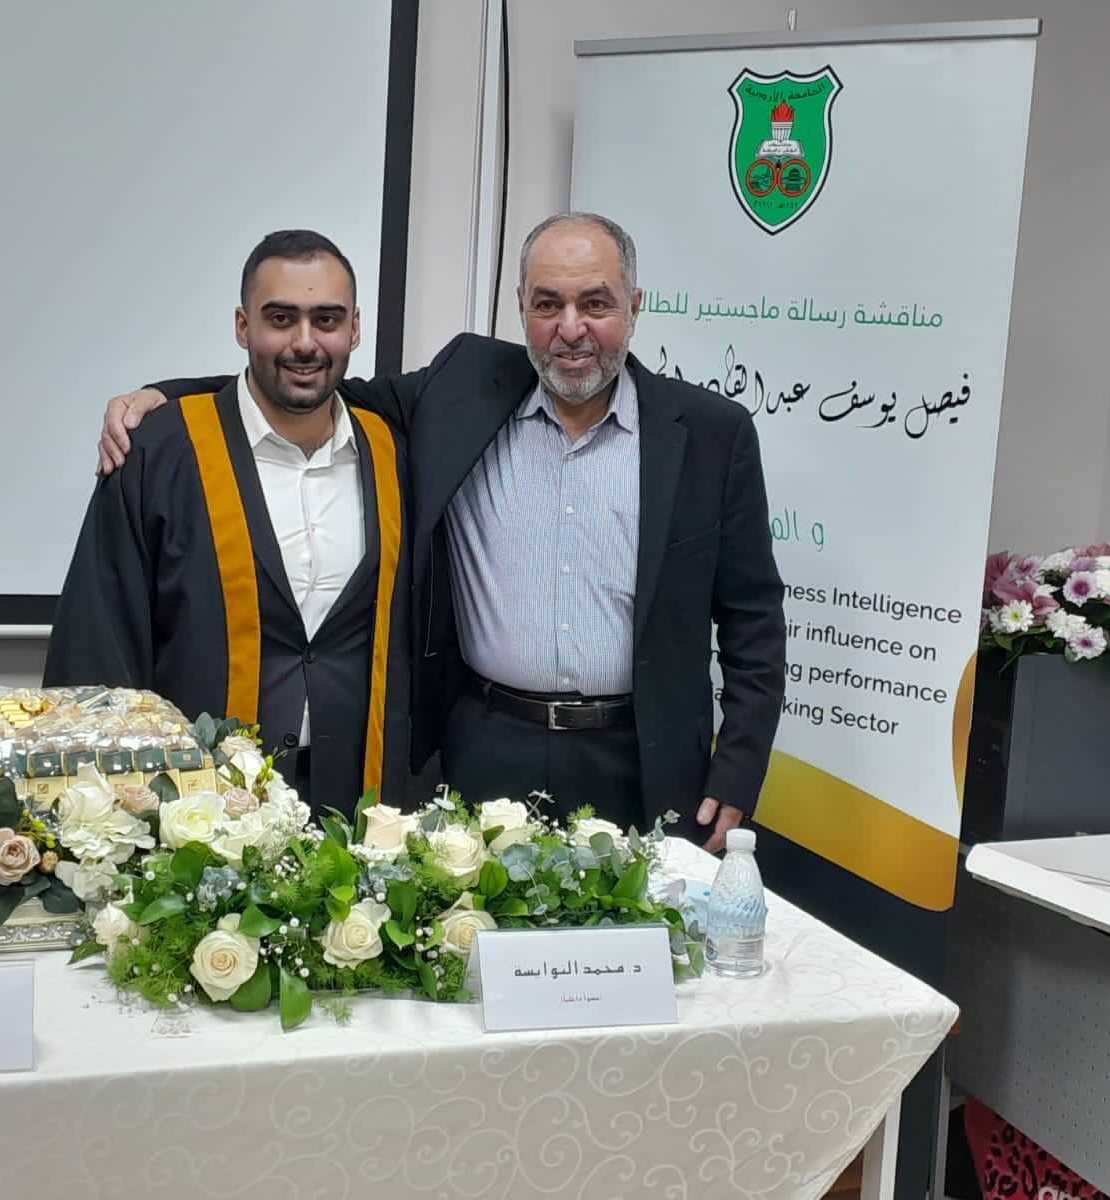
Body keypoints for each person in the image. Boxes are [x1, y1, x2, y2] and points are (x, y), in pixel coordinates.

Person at [99, 213, 784, 851]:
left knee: (642, 938)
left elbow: (752, 616)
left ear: (634, 306)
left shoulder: (710, 435)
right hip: (486, 750)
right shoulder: (464, 390)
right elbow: (309, 380)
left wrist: (739, 765)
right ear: (521, 307)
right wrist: (165, 397)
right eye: (547, 304)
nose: (570, 328)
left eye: (595, 304)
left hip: (644, 757)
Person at [48, 229, 410, 818]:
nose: (305, 343)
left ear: (355, 329)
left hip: (355, 798)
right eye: (280, 319)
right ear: (243, 327)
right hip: (191, 806)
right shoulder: (160, 451)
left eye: (326, 319)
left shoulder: (392, 450)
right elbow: (100, 640)